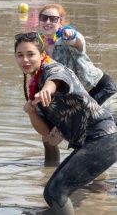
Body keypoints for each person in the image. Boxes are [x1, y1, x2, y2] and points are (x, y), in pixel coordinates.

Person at [14, 32, 117, 214]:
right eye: (20, 55)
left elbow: (55, 80)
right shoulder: (35, 85)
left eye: (31, 54)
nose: (25, 60)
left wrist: (47, 88)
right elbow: (47, 133)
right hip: (88, 143)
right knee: (49, 193)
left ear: (41, 54)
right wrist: (31, 112)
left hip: (103, 138)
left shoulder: (53, 69)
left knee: (57, 191)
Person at [37, 4, 117, 164]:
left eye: (53, 19)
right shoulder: (38, 47)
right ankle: (51, 172)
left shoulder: (64, 40)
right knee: (49, 139)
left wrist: (70, 35)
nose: (48, 22)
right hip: (77, 102)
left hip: (101, 93)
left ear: (60, 22)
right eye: (44, 18)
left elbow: (78, 41)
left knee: (104, 140)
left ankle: (98, 183)